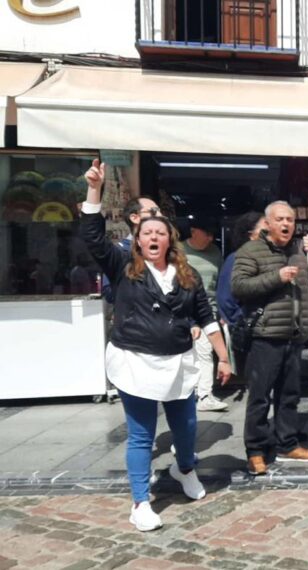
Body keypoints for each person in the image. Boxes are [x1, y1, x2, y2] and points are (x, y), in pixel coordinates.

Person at [79, 159, 231, 532]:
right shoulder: (121, 265)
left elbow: (206, 315)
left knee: (186, 427)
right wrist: (94, 191)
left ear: (169, 239)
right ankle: (140, 502)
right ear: (138, 236)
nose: (153, 237)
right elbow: (93, 238)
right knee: (142, 434)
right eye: (147, 231)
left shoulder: (187, 274)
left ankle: (184, 470)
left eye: (160, 232)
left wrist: (224, 356)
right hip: (134, 359)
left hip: (177, 361)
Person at [232, 201, 308, 476]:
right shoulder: (251, 250)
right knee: (260, 397)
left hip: (293, 336)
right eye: (280, 219)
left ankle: (287, 444)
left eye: (290, 220)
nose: (286, 224)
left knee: (290, 395)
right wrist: (276, 277)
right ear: (268, 223)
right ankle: (256, 452)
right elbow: (239, 286)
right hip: (265, 336)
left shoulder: (298, 251)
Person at [183, 217, 226, 412]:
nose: (209, 238)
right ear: (193, 231)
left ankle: (205, 395)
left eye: (212, 235)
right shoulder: (178, 250)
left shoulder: (216, 252)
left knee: (205, 351)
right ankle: (185, 392)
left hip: (208, 309)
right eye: (206, 234)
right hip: (183, 310)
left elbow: (220, 282)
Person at [216, 212, 267, 374]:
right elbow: (225, 299)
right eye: (265, 230)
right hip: (253, 330)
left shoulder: (273, 257)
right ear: (251, 235)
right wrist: (243, 321)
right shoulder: (235, 259)